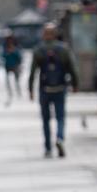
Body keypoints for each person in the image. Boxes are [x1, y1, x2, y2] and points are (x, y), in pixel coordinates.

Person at [29, 23, 79, 158]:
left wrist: (30, 90)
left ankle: (47, 148)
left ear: (44, 35)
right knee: (60, 117)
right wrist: (75, 84)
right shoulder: (63, 49)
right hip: (60, 88)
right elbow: (73, 69)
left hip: (44, 89)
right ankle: (60, 138)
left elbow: (33, 72)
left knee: (45, 119)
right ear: (56, 34)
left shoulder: (39, 50)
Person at [2, 34, 23, 105]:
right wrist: (7, 53)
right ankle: (10, 92)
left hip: (15, 66)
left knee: (16, 80)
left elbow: (20, 57)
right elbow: (3, 55)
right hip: (7, 65)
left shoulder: (16, 47)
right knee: (8, 81)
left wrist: (13, 51)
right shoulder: (5, 47)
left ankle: (18, 92)